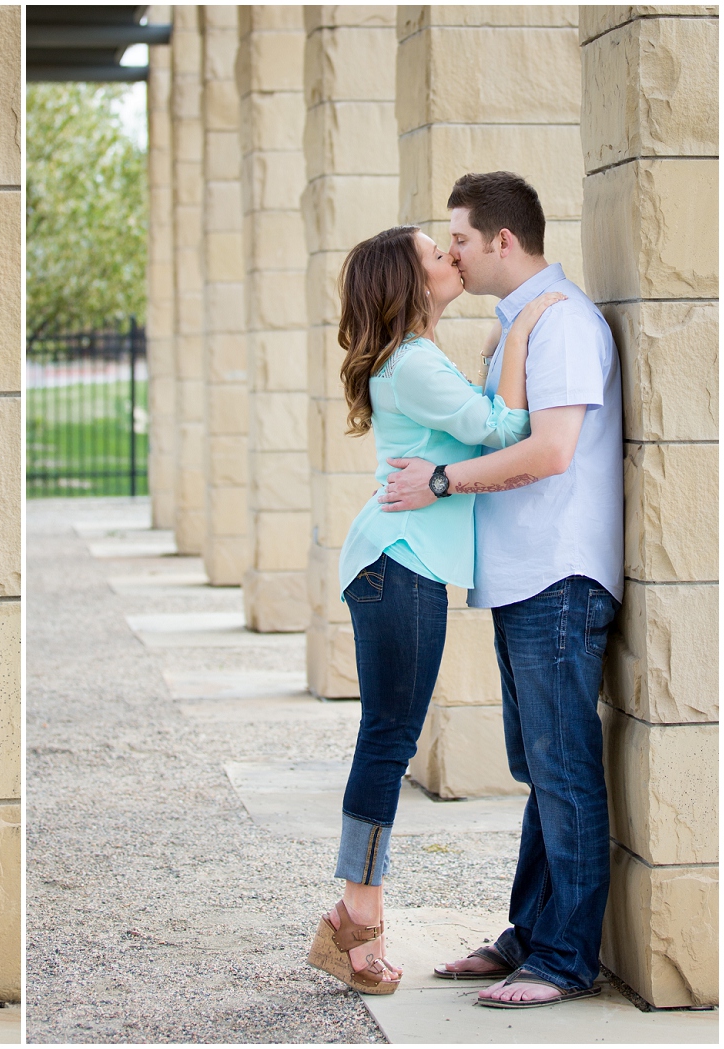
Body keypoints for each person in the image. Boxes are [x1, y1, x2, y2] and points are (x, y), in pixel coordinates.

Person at [380, 171, 622, 1009]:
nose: (450, 252)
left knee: (563, 770)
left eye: (459, 240)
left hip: (559, 576)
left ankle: (564, 959)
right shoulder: (521, 324)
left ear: (502, 243)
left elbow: (551, 451)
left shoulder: (559, 324)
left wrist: (441, 481)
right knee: (537, 764)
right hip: (525, 578)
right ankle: (530, 933)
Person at [305, 224, 565, 996]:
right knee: (389, 740)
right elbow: (506, 430)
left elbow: (475, 434)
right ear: (408, 284)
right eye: (434, 254)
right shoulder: (412, 364)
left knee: (388, 737)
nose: (451, 257)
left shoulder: (415, 360)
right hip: (400, 562)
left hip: (400, 562)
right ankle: (358, 921)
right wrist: (520, 333)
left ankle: (352, 914)